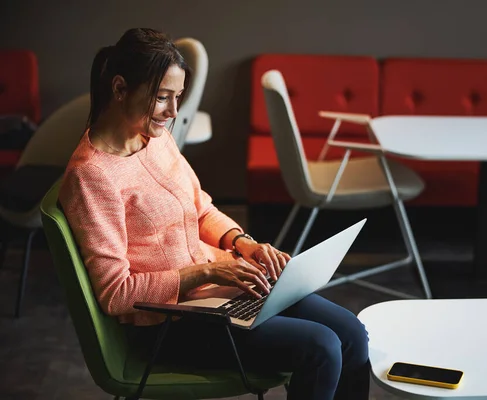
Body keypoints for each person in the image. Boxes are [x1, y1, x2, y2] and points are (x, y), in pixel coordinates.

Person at [59, 28, 370, 400]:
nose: (173, 113)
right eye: (162, 98)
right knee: (321, 347)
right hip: (171, 326)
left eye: (177, 98)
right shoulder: (92, 175)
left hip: (219, 295)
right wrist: (207, 271)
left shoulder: (155, 138)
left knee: (352, 333)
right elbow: (116, 293)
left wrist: (244, 244)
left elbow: (201, 208)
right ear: (120, 88)